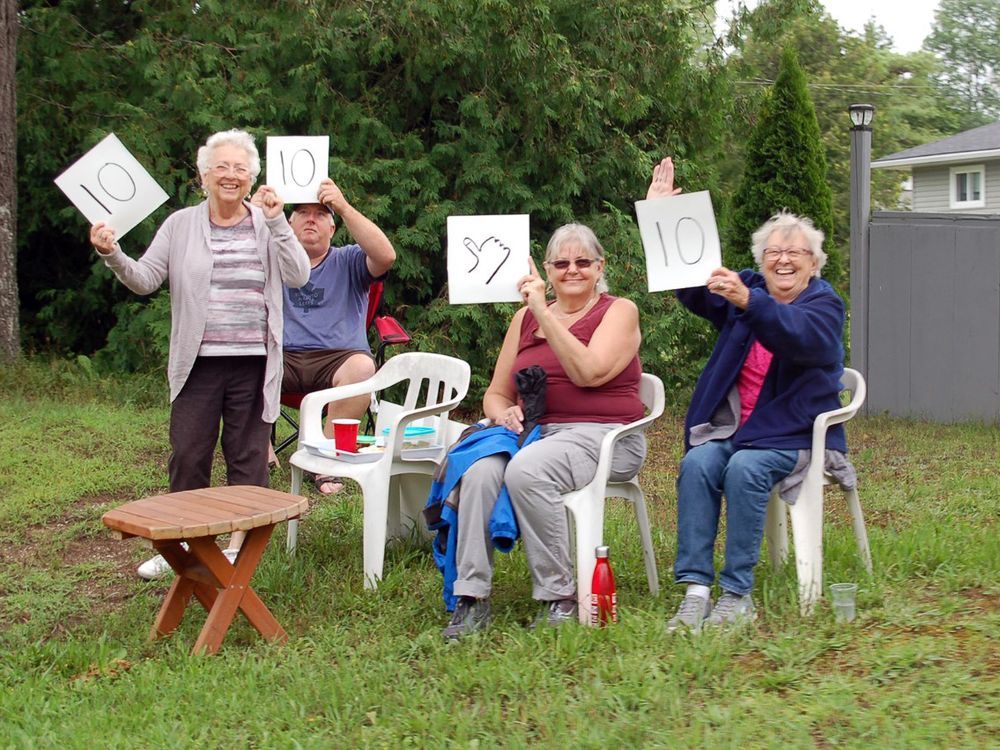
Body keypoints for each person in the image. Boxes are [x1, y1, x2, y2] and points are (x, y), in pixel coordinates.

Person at [89, 129, 310, 579]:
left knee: (247, 458)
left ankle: (239, 550)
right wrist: (112, 253)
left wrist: (279, 222)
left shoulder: (267, 222)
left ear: (252, 178)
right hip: (197, 363)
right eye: (222, 167)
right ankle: (179, 545)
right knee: (188, 456)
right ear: (204, 174)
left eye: (241, 169)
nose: (231, 176)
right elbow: (145, 278)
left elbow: (299, 275)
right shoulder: (180, 225)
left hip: (253, 362)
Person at [646, 157, 848, 631]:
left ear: (814, 263)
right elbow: (693, 284)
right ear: (761, 260)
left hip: (792, 432)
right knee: (698, 463)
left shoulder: (823, 304)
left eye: (795, 253)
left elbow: (796, 335)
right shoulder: (750, 288)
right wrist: (661, 218)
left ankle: (737, 594)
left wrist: (747, 300)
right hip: (741, 427)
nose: (783, 259)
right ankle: (696, 590)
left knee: (744, 468)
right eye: (773, 252)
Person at [439, 223, 648, 641]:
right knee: (478, 472)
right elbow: (496, 394)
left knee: (527, 470)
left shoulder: (618, 310)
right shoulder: (523, 319)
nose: (573, 270)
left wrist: (542, 314)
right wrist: (503, 417)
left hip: (604, 436)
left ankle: (560, 596)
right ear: (547, 269)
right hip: (536, 433)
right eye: (562, 263)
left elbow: (586, 372)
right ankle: (471, 597)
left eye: (583, 262)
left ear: (600, 266)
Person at [281, 177, 396, 494]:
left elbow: (386, 256)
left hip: (337, 359)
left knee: (362, 367)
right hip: (281, 358)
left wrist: (343, 206)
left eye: (320, 213)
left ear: (333, 228)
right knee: (245, 357)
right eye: (302, 212)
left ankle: (328, 462)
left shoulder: (348, 259)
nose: (311, 219)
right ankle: (256, 456)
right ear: (288, 226)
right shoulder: (275, 260)